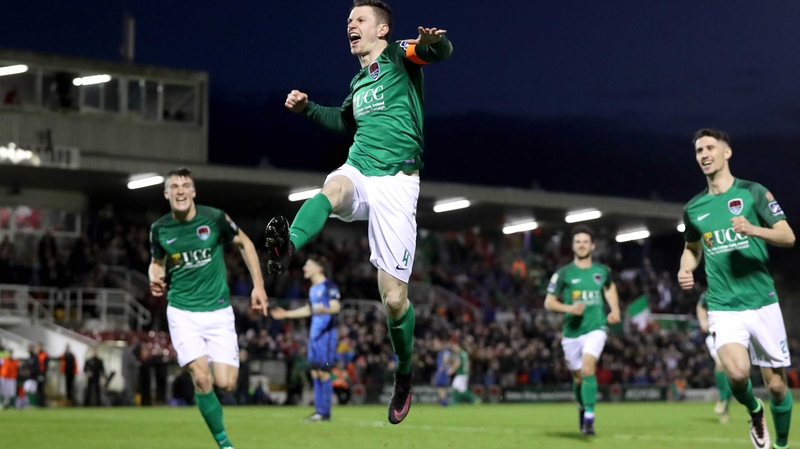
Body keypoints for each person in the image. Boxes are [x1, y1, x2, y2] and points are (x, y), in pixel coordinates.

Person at [263, 0, 453, 425]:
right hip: (361, 168)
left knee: (394, 300)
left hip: (397, 182)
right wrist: (308, 109)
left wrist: (434, 43)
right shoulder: (359, 82)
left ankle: (404, 374)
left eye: (360, 19)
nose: (351, 25)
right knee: (331, 190)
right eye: (349, 20)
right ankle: (287, 247)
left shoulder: (400, 54)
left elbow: (438, 53)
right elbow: (344, 122)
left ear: (381, 30)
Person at [679, 128, 795, 449]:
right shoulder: (694, 208)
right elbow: (692, 248)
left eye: (710, 148)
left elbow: (787, 236)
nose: (704, 154)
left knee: (776, 386)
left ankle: (781, 444)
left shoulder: (752, 192)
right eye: (699, 150)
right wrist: (685, 268)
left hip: (762, 301)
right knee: (738, 373)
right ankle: (754, 411)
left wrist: (753, 229)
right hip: (723, 306)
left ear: (726, 152)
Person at [149, 167, 268, 449]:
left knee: (226, 384)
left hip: (218, 311)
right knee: (202, 378)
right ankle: (225, 444)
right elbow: (156, 262)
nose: (180, 191)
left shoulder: (214, 218)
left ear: (193, 192)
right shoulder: (159, 229)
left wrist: (258, 286)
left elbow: (245, 243)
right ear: (166, 193)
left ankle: (211, 400)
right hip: (182, 311)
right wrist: (155, 276)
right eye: (174, 186)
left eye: (185, 186)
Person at [544, 225, 621, 436]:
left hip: (596, 327)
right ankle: (582, 407)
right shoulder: (563, 273)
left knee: (588, 370)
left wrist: (615, 309)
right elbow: (549, 302)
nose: (582, 245)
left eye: (585, 242)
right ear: (573, 246)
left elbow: (610, 288)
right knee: (578, 379)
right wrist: (569, 308)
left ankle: (589, 417)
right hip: (571, 333)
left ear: (592, 246)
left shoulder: (602, 271)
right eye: (578, 242)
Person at [270, 256, 341, 421]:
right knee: (315, 372)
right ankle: (319, 411)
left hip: (326, 335)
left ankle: (325, 412)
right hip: (314, 336)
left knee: (323, 371)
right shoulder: (313, 289)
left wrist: (326, 310)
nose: (304, 268)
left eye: (308, 265)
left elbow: (336, 307)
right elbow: (309, 310)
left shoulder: (329, 286)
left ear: (319, 268)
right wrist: (286, 314)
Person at [696, 290, 731, 423]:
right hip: (714, 334)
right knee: (720, 364)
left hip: (733, 334)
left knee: (733, 372)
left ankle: (725, 407)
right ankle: (722, 397)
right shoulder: (711, 291)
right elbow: (700, 305)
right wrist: (703, 321)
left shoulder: (736, 289)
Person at [448, 338, 478, 405]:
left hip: (460, 373)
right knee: (462, 389)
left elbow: (458, 363)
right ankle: (474, 399)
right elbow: (468, 364)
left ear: (458, 346)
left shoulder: (459, 354)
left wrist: (452, 370)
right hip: (465, 373)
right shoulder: (465, 354)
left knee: (455, 387)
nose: (454, 348)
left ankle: (454, 402)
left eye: (455, 346)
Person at [434, 338, 451, 406]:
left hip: (442, 372)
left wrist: (442, 368)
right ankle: (443, 401)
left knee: (441, 387)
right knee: (440, 388)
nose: (435, 346)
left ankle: (444, 401)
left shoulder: (444, 352)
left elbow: (446, 360)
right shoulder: (441, 352)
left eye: (436, 344)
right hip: (441, 372)